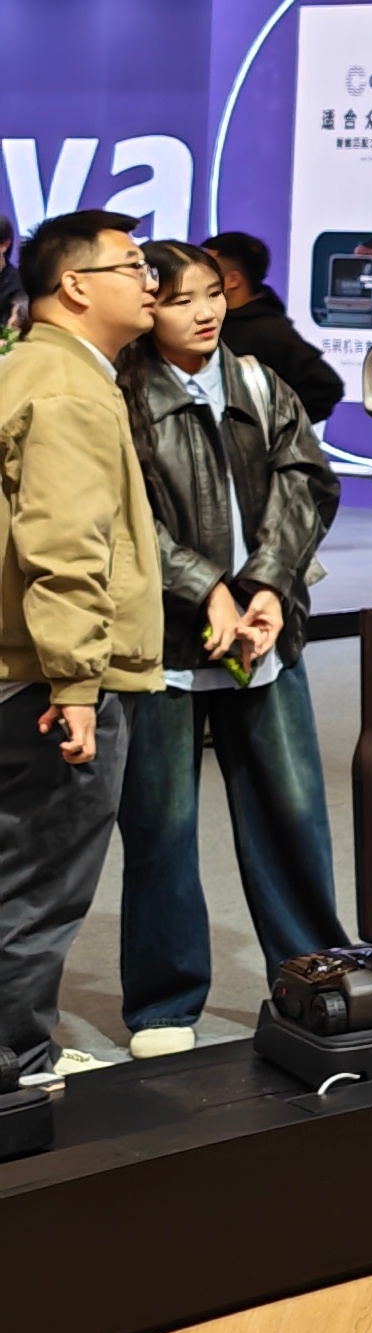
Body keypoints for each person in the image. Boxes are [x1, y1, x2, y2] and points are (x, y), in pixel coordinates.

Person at [116, 242, 341, 1058]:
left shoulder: (256, 381)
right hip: (165, 645)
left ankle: (315, 972)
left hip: (263, 634)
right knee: (161, 827)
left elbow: (306, 481)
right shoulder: (122, 395)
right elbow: (125, 520)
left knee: (292, 814)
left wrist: (270, 586)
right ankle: (165, 1005)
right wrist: (206, 587)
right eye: (181, 300)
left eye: (212, 294)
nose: (205, 312)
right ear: (148, 308)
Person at [0, 211, 165, 1111]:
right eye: (132, 266)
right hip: (48, 677)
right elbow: (64, 546)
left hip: (27, 667)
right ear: (73, 284)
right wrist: (75, 682)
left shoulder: (39, 370)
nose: (150, 282)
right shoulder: (66, 387)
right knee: (39, 886)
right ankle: (16, 1067)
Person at [204, 229, 344, 424]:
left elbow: (324, 387)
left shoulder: (268, 331)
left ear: (232, 280)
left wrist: (270, 427)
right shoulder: (209, 322)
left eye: (205, 270)